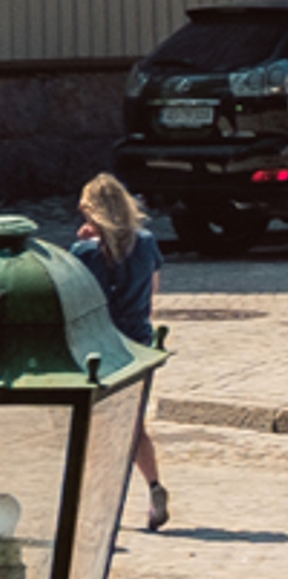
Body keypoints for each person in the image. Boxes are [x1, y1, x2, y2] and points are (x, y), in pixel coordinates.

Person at [72, 177, 165, 530]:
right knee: (133, 424)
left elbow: (77, 298)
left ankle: (99, 502)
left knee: (97, 425)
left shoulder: (85, 252)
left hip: (100, 347)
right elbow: (152, 292)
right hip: (138, 344)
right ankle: (154, 488)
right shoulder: (145, 243)